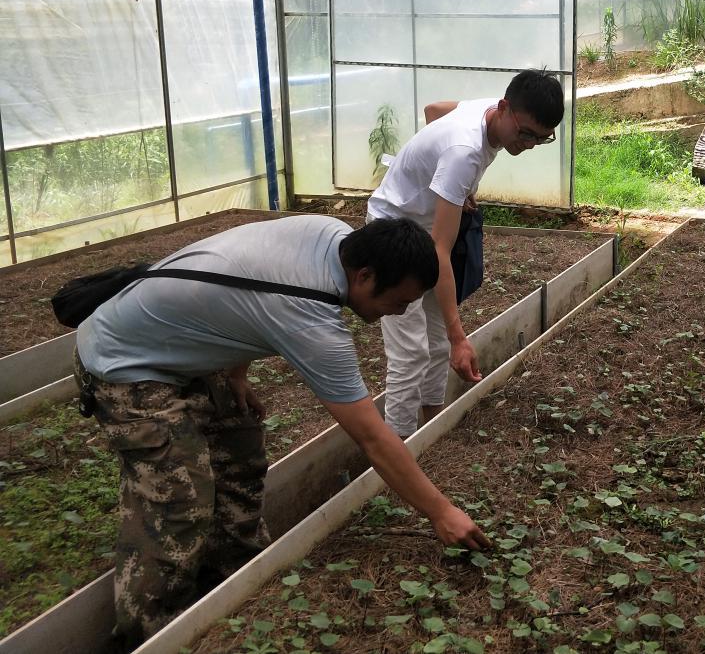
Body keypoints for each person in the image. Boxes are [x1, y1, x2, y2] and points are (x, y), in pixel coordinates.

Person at [74, 215, 491, 646]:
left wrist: (236, 371)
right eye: (399, 301)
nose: (401, 312)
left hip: (171, 341)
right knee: (178, 498)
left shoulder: (332, 235)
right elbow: (372, 438)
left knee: (240, 447)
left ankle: (236, 574)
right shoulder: (310, 319)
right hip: (122, 362)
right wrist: (441, 512)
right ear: (365, 276)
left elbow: (247, 280)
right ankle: (152, 632)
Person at [369, 69, 565, 438]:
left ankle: (432, 426)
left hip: (423, 227)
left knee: (435, 342)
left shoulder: (489, 113)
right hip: (392, 232)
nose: (529, 144)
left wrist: (453, 187)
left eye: (542, 138)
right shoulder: (464, 152)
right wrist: (461, 339)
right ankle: (397, 449)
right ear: (504, 108)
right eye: (525, 133)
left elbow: (433, 110)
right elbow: (439, 253)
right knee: (410, 352)